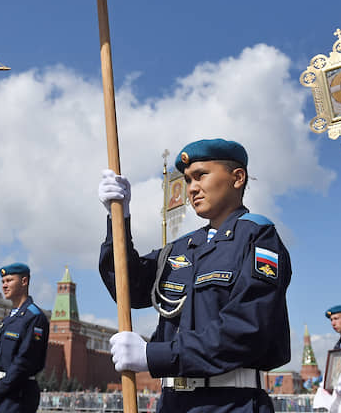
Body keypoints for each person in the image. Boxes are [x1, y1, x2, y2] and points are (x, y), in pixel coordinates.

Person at [98, 138, 292, 412]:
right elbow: (129, 287)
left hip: (230, 403)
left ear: (237, 178)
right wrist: (118, 217)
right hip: (173, 403)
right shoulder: (183, 247)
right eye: (188, 180)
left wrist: (153, 355)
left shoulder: (257, 237)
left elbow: (247, 328)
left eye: (201, 176)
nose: (192, 189)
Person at [0, 263, 49, 413]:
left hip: (19, 394)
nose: (4, 285)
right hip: (4, 390)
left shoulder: (34, 318)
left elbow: (24, 362)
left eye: (9, 280)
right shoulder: (9, 320)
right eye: (3, 281)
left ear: (24, 281)